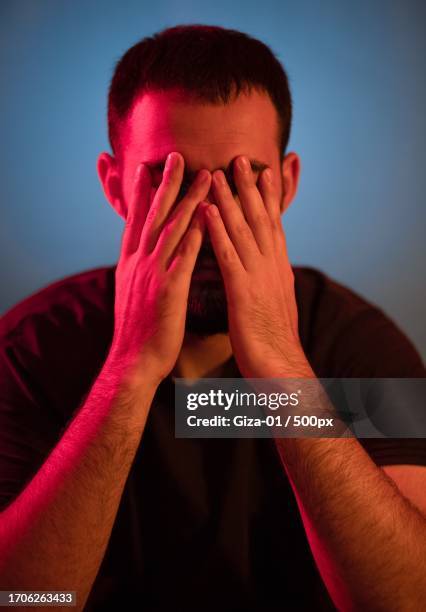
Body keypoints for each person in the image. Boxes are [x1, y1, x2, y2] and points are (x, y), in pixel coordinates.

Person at [0, 24, 425, 611]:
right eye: (168, 179)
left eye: (241, 180)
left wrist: (281, 368)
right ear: (115, 187)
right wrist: (129, 369)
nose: (208, 218)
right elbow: (20, 600)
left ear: (287, 185)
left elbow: (406, 602)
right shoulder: (30, 352)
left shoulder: (362, 346)